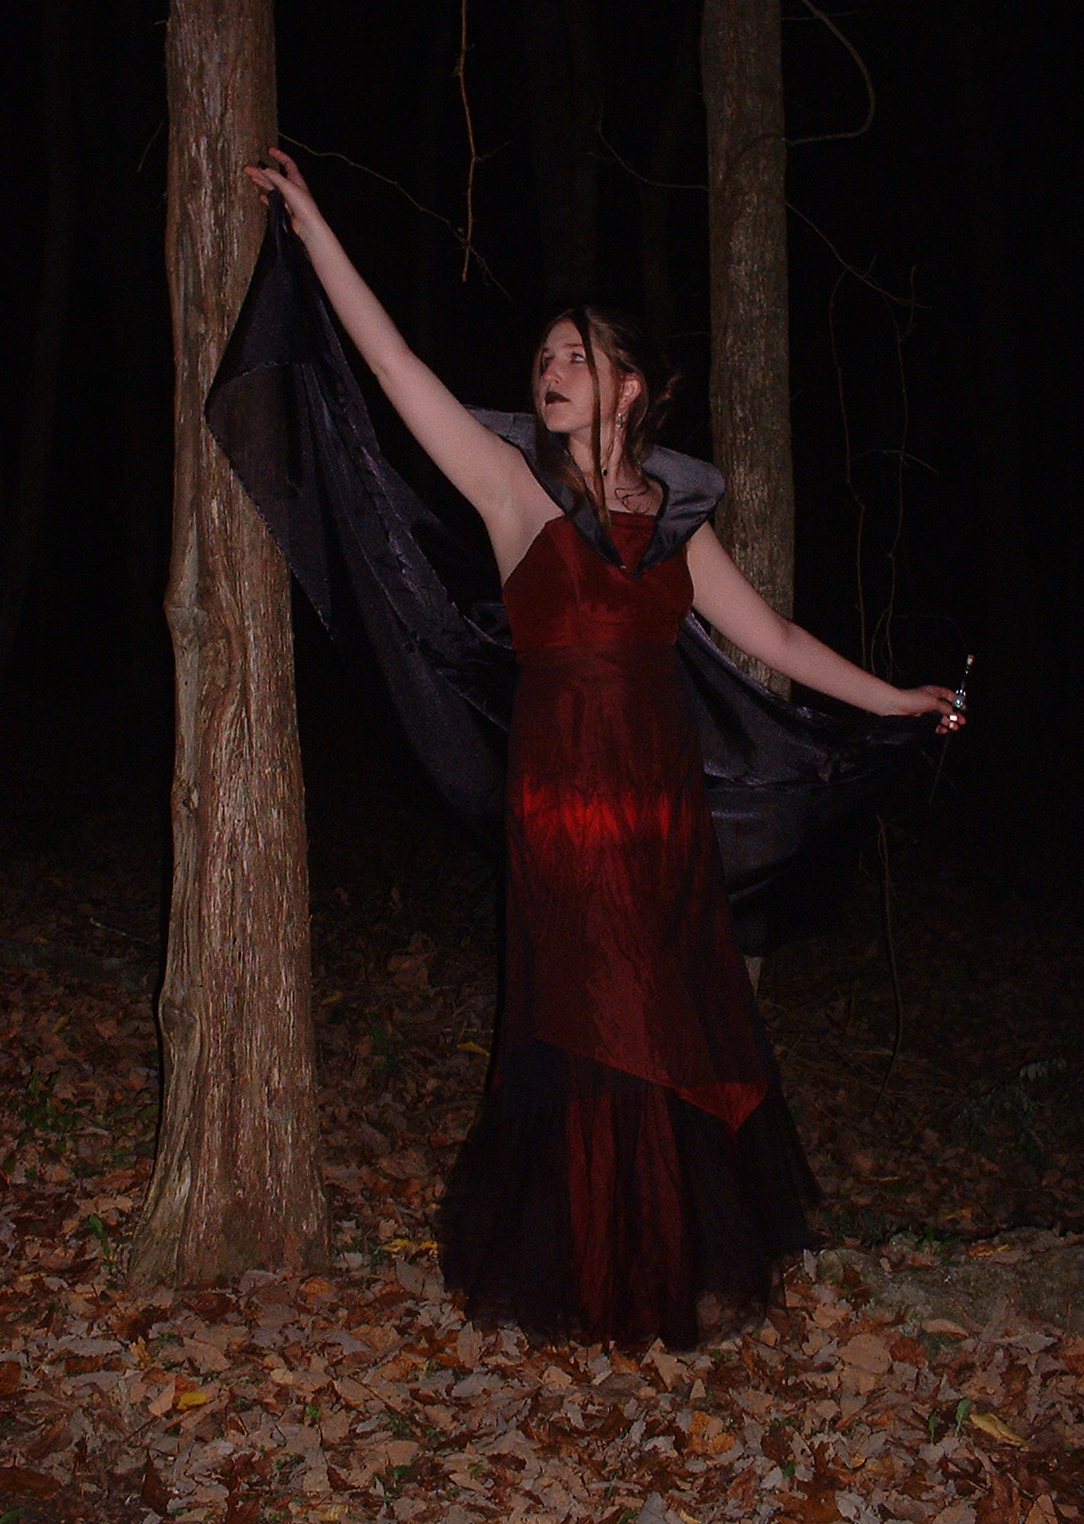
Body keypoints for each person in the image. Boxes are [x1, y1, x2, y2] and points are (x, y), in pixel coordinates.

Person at [243, 149, 962, 1348]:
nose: (551, 370)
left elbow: (774, 639)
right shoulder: (510, 492)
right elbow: (398, 369)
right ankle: (599, 1268)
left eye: (575, 355)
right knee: (594, 1015)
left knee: (669, 1017)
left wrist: (894, 698)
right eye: (544, 357)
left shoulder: (674, 521)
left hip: (663, 809)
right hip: (563, 803)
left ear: (631, 386)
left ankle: (662, 1253)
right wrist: (316, 234)